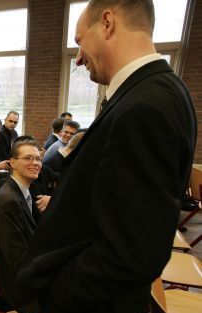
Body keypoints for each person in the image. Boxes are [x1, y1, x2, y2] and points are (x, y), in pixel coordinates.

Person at [12, 1, 197, 312]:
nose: (80, 58)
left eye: (80, 41)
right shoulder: (153, 91)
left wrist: (54, 292)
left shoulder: (145, 106)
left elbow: (130, 254)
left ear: (108, 22)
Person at [0, 138, 41, 307]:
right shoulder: (8, 201)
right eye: (28, 158)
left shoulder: (21, 191)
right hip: (20, 288)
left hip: (25, 272)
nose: (35, 163)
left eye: (38, 159)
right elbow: (16, 261)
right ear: (13, 163)